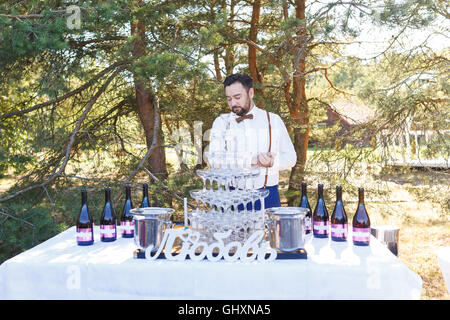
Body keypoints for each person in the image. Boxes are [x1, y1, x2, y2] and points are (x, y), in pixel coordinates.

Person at [207, 73, 297, 210]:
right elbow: (214, 159)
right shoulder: (221, 123)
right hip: (233, 196)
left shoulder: (273, 120)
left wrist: (273, 162)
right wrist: (251, 160)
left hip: (268, 196)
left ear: (251, 93)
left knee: (269, 232)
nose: (233, 103)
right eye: (229, 99)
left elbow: (291, 157)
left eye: (238, 97)